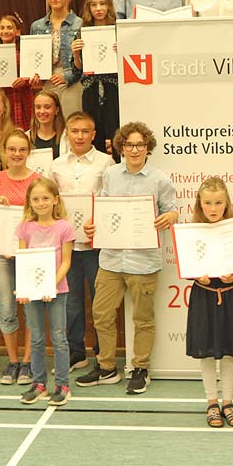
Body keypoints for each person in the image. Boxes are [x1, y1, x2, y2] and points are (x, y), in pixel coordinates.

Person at [76, 121, 179, 394]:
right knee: (101, 314)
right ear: (121, 147)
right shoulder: (110, 175)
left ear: (148, 148)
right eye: (129, 145)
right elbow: (103, 207)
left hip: (143, 260)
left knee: (143, 319)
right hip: (111, 258)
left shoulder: (160, 179)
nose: (135, 150)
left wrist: (169, 217)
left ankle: (140, 368)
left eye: (140, 145)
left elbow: (173, 210)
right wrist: (92, 225)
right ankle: (107, 367)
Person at [184, 178, 233, 427]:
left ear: (226, 204)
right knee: (206, 352)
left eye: (218, 203)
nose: (213, 208)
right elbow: (187, 264)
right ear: (199, 204)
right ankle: (211, 402)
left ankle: (228, 401)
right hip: (203, 296)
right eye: (208, 203)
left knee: (227, 352)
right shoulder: (192, 231)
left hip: (231, 295)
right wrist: (196, 274)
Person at [50, 110, 114, 371]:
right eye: (75, 131)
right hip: (67, 246)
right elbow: (52, 203)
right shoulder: (56, 165)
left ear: (94, 135)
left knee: (100, 300)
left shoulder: (106, 163)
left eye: (85, 131)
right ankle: (77, 352)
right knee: (71, 301)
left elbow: (109, 200)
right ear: (67, 133)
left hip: (95, 244)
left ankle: (102, 353)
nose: (80, 136)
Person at [15, 178, 76, 405]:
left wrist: (50, 285)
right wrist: (23, 287)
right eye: (36, 199)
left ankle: (62, 384)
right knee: (37, 338)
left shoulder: (65, 227)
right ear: (29, 202)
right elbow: (23, 262)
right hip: (32, 292)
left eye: (45, 198)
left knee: (59, 338)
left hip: (57, 291)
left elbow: (66, 262)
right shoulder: (25, 228)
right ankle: (38, 383)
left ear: (55, 200)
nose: (41, 203)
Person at [0, 129, 41, 386]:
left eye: (22, 149)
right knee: (7, 309)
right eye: (12, 149)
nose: (17, 154)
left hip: (30, 253)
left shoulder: (38, 179)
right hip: (3, 252)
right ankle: (13, 361)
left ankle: (29, 362)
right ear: (5, 152)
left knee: (31, 307)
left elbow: (44, 218)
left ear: (29, 151)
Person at [72, 0, 120, 152]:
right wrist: (76, 54)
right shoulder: (82, 32)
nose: (98, 9)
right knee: (93, 133)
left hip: (114, 89)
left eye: (102, 3)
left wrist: (122, 51)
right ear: (88, 7)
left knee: (117, 133)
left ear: (109, 6)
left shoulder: (118, 30)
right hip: (91, 90)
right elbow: (78, 69)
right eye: (94, 5)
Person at [29, 0, 84, 117]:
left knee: (72, 122)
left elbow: (85, 63)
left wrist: (67, 77)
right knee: (49, 125)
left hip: (72, 82)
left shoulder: (79, 23)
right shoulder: (37, 26)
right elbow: (33, 58)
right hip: (47, 82)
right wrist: (35, 75)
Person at [0, 12, 38, 130]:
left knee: (26, 129)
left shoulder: (26, 52)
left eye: (9, 28)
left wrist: (25, 81)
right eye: (2, 28)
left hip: (22, 97)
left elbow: (34, 75)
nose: (5, 31)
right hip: (4, 97)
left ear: (18, 32)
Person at [29, 89, 65, 155]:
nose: (42, 111)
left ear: (57, 110)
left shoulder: (66, 137)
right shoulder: (26, 137)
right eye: (38, 107)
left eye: (47, 107)